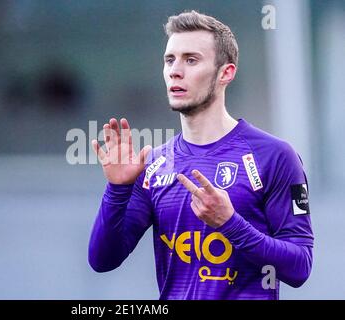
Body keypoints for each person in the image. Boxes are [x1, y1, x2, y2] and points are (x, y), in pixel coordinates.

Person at [88, 10, 313, 300]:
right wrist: (117, 190)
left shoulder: (275, 156)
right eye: (170, 60)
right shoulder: (155, 165)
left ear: (225, 73)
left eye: (191, 60)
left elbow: (300, 267)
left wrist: (230, 223)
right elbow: (102, 261)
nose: (175, 71)